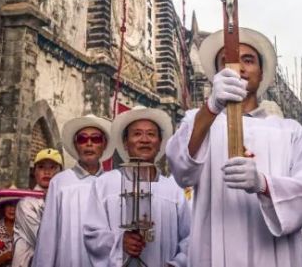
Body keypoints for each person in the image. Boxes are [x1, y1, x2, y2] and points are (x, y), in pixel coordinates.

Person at [166, 27, 302, 267]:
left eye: (248, 60)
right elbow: (181, 169)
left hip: (274, 254)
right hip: (215, 252)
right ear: (217, 74)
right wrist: (211, 107)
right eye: (227, 62)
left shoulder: (290, 131)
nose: (238, 67)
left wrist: (265, 184)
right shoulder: (198, 121)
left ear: (261, 74)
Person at [84, 106, 190, 266]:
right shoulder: (104, 185)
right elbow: (92, 233)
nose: (144, 140)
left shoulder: (174, 191)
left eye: (151, 134)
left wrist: (177, 263)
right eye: (137, 133)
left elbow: (190, 238)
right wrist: (120, 243)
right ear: (125, 142)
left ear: (160, 143)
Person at [31, 114, 115, 267]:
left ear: (104, 144)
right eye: (83, 139)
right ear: (76, 145)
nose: (89, 143)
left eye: (95, 139)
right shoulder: (60, 183)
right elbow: (48, 235)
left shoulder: (113, 184)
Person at [12, 150, 62, 267]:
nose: (47, 171)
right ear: (35, 172)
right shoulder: (26, 203)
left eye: (52, 167)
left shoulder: (62, 201)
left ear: (61, 174)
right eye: (41, 167)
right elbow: (43, 241)